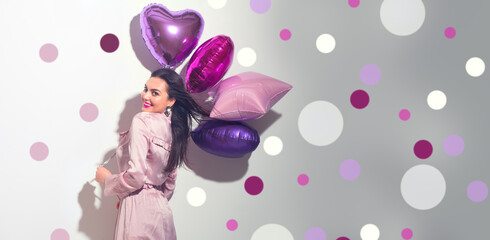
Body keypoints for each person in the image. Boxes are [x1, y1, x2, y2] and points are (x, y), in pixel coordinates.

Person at [95, 68, 209, 240]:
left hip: (139, 211)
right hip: (162, 212)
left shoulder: (142, 120)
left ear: (171, 100)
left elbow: (136, 177)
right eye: (146, 89)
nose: (146, 96)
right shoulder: (174, 131)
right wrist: (151, 197)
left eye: (154, 93)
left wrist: (107, 180)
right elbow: (170, 183)